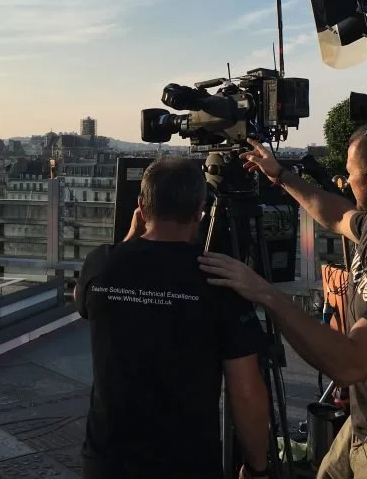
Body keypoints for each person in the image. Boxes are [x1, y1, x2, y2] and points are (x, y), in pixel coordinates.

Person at [201, 124, 367, 479]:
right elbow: (337, 213)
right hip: (365, 429)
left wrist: (264, 292)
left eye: (351, 173)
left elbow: (348, 363)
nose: (345, 180)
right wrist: (281, 176)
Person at [75, 156, 271, 479]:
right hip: (187, 463)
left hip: (106, 462)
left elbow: (81, 300)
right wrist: (256, 467)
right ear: (200, 211)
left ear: (141, 205)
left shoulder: (101, 264)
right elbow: (246, 390)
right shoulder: (221, 280)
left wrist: (129, 238)